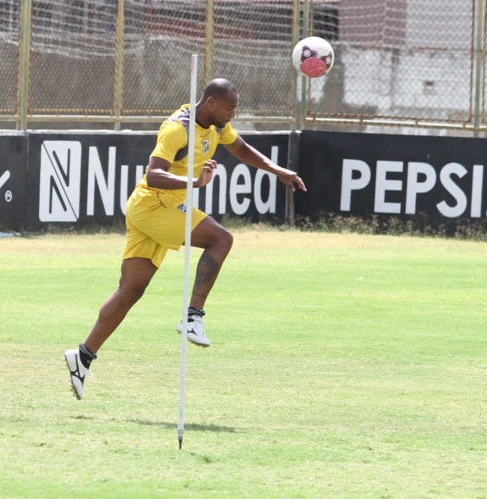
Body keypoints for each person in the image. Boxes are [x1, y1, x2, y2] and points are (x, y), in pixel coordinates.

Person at [65, 78, 306, 399]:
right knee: (221, 240)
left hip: (152, 208)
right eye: (230, 107)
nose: (234, 114)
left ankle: (82, 357)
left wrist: (278, 170)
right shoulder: (177, 129)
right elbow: (153, 173)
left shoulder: (217, 126)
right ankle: (193, 318)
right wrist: (194, 181)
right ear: (211, 103)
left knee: (130, 291)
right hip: (153, 205)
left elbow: (241, 149)